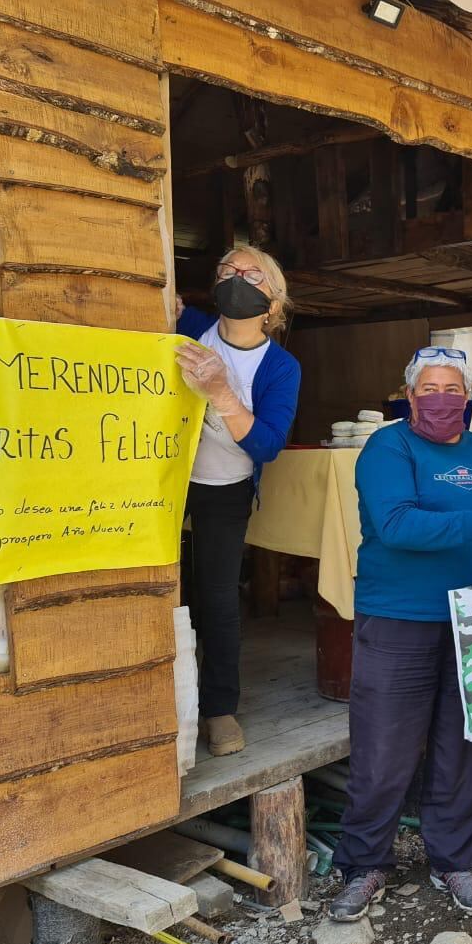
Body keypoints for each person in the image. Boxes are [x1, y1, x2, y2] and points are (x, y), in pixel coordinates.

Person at [329, 347, 472, 921]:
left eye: (454, 389)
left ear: (468, 399)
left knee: (463, 747)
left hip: (470, 614)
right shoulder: (387, 447)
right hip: (399, 616)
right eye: (430, 388)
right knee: (383, 751)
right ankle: (365, 866)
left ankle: (455, 861)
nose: (443, 399)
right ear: (409, 395)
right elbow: (394, 525)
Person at [176, 245, 301, 758]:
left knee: (219, 596)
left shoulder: (280, 367)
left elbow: (268, 444)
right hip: (164, 479)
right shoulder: (192, 329)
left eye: (252, 273)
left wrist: (223, 395)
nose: (236, 276)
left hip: (224, 486)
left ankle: (218, 709)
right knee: (169, 587)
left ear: (272, 302)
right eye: (228, 268)